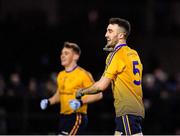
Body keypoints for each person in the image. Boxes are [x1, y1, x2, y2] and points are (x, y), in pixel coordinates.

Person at [74, 18, 145, 135]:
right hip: (135, 110)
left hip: (126, 111)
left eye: (110, 31)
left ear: (121, 35)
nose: (106, 34)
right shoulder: (134, 53)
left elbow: (101, 86)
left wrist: (81, 91)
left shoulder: (116, 55)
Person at [40, 41, 103, 135]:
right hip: (63, 118)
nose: (62, 56)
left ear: (75, 56)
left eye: (66, 53)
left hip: (77, 116)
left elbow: (98, 94)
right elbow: (59, 94)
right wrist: (48, 101)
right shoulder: (61, 75)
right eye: (62, 53)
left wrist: (80, 102)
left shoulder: (83, 74)